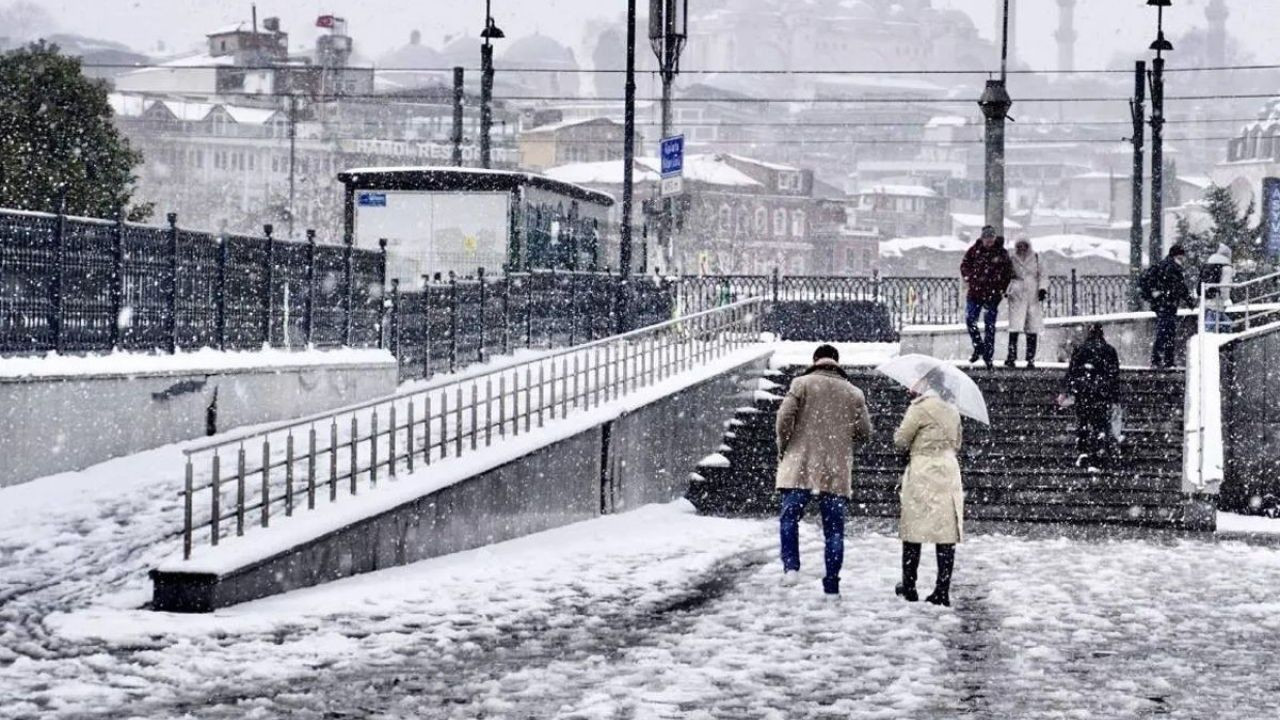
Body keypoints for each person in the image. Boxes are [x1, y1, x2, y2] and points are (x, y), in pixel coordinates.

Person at [775, 344, 873, 596]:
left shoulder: (801, 384)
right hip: (835, 468)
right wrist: (841, 441)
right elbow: (865, 432)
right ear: (837, 362)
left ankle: (791, 567)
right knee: (834, 530)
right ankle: (831, 583)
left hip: (800, 464)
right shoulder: (854, 392)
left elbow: (784, 419)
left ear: (815, 360)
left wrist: (785, 446)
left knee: (789, 518)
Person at [892, 368, 964, 607]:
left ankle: (909, 586)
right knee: (946, 531)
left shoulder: (919, 407)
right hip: (947, 470)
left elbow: (901, 441)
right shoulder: (953, 408)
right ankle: (942, 590)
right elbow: (957, 442)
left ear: (925, 383)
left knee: (914, 527)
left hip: (922, 469)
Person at [1060, 323, 1121, 466]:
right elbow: (1114, 376)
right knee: (1101, 423)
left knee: (1083, 422)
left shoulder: (1081, 349)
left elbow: (1072, 372)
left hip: (1084, 392)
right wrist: (1115, 397)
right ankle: (1099, 449)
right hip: (1102, 393)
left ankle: (1084, 451)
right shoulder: (1110, 350)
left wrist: (1067, 391)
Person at [960, 226, 1014, 369]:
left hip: (993, 294)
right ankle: (979, 347)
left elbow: (1008, 272)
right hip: (975, 293)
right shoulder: (974, 250)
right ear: (982, 238)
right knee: (970, 319)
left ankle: (988, 356)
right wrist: (970, 277)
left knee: (990, 326)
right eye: (987, 238)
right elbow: (964, 265)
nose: (989, 241)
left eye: (991, 238)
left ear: (994, 238)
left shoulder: (1001, 253)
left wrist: (1001, 288)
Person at [1139, 244, 1194, 368]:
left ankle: (1160, 360)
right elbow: (1179, 286)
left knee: (1165, 332)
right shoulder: (1172, 267)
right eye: (1182, 256)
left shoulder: (1163, 265)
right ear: (1177, 255)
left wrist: (1154, 296)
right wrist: (1188, 300)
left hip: (1163, 305)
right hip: (1167, 304)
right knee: (1166, 333)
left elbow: (1176, 286)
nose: (1183, 259)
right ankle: (1163, 361)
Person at [1005, 238, 1049, 369]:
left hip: (1032, 294)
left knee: (1032, 328)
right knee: (1014, 327)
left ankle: (1030, 358)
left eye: (1024, 246)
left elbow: (1043, 275)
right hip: (1017, 294)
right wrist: (1007, 289)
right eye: (1019, 246)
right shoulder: (1012, 258)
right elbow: (1006, 274)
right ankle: (1011, 357)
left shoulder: (1036, 257)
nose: (1022, 248)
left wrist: (1042, 289)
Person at [1201, 243, 1235, 333]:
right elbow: (1224, 286)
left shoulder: (1209, 264)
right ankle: (1207, 339)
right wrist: (1226, 299)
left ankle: (1230, 333)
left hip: (1208, 297)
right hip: (1217, 299)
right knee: (1212, 323)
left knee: (1218, 318)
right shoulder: (1226, 267)